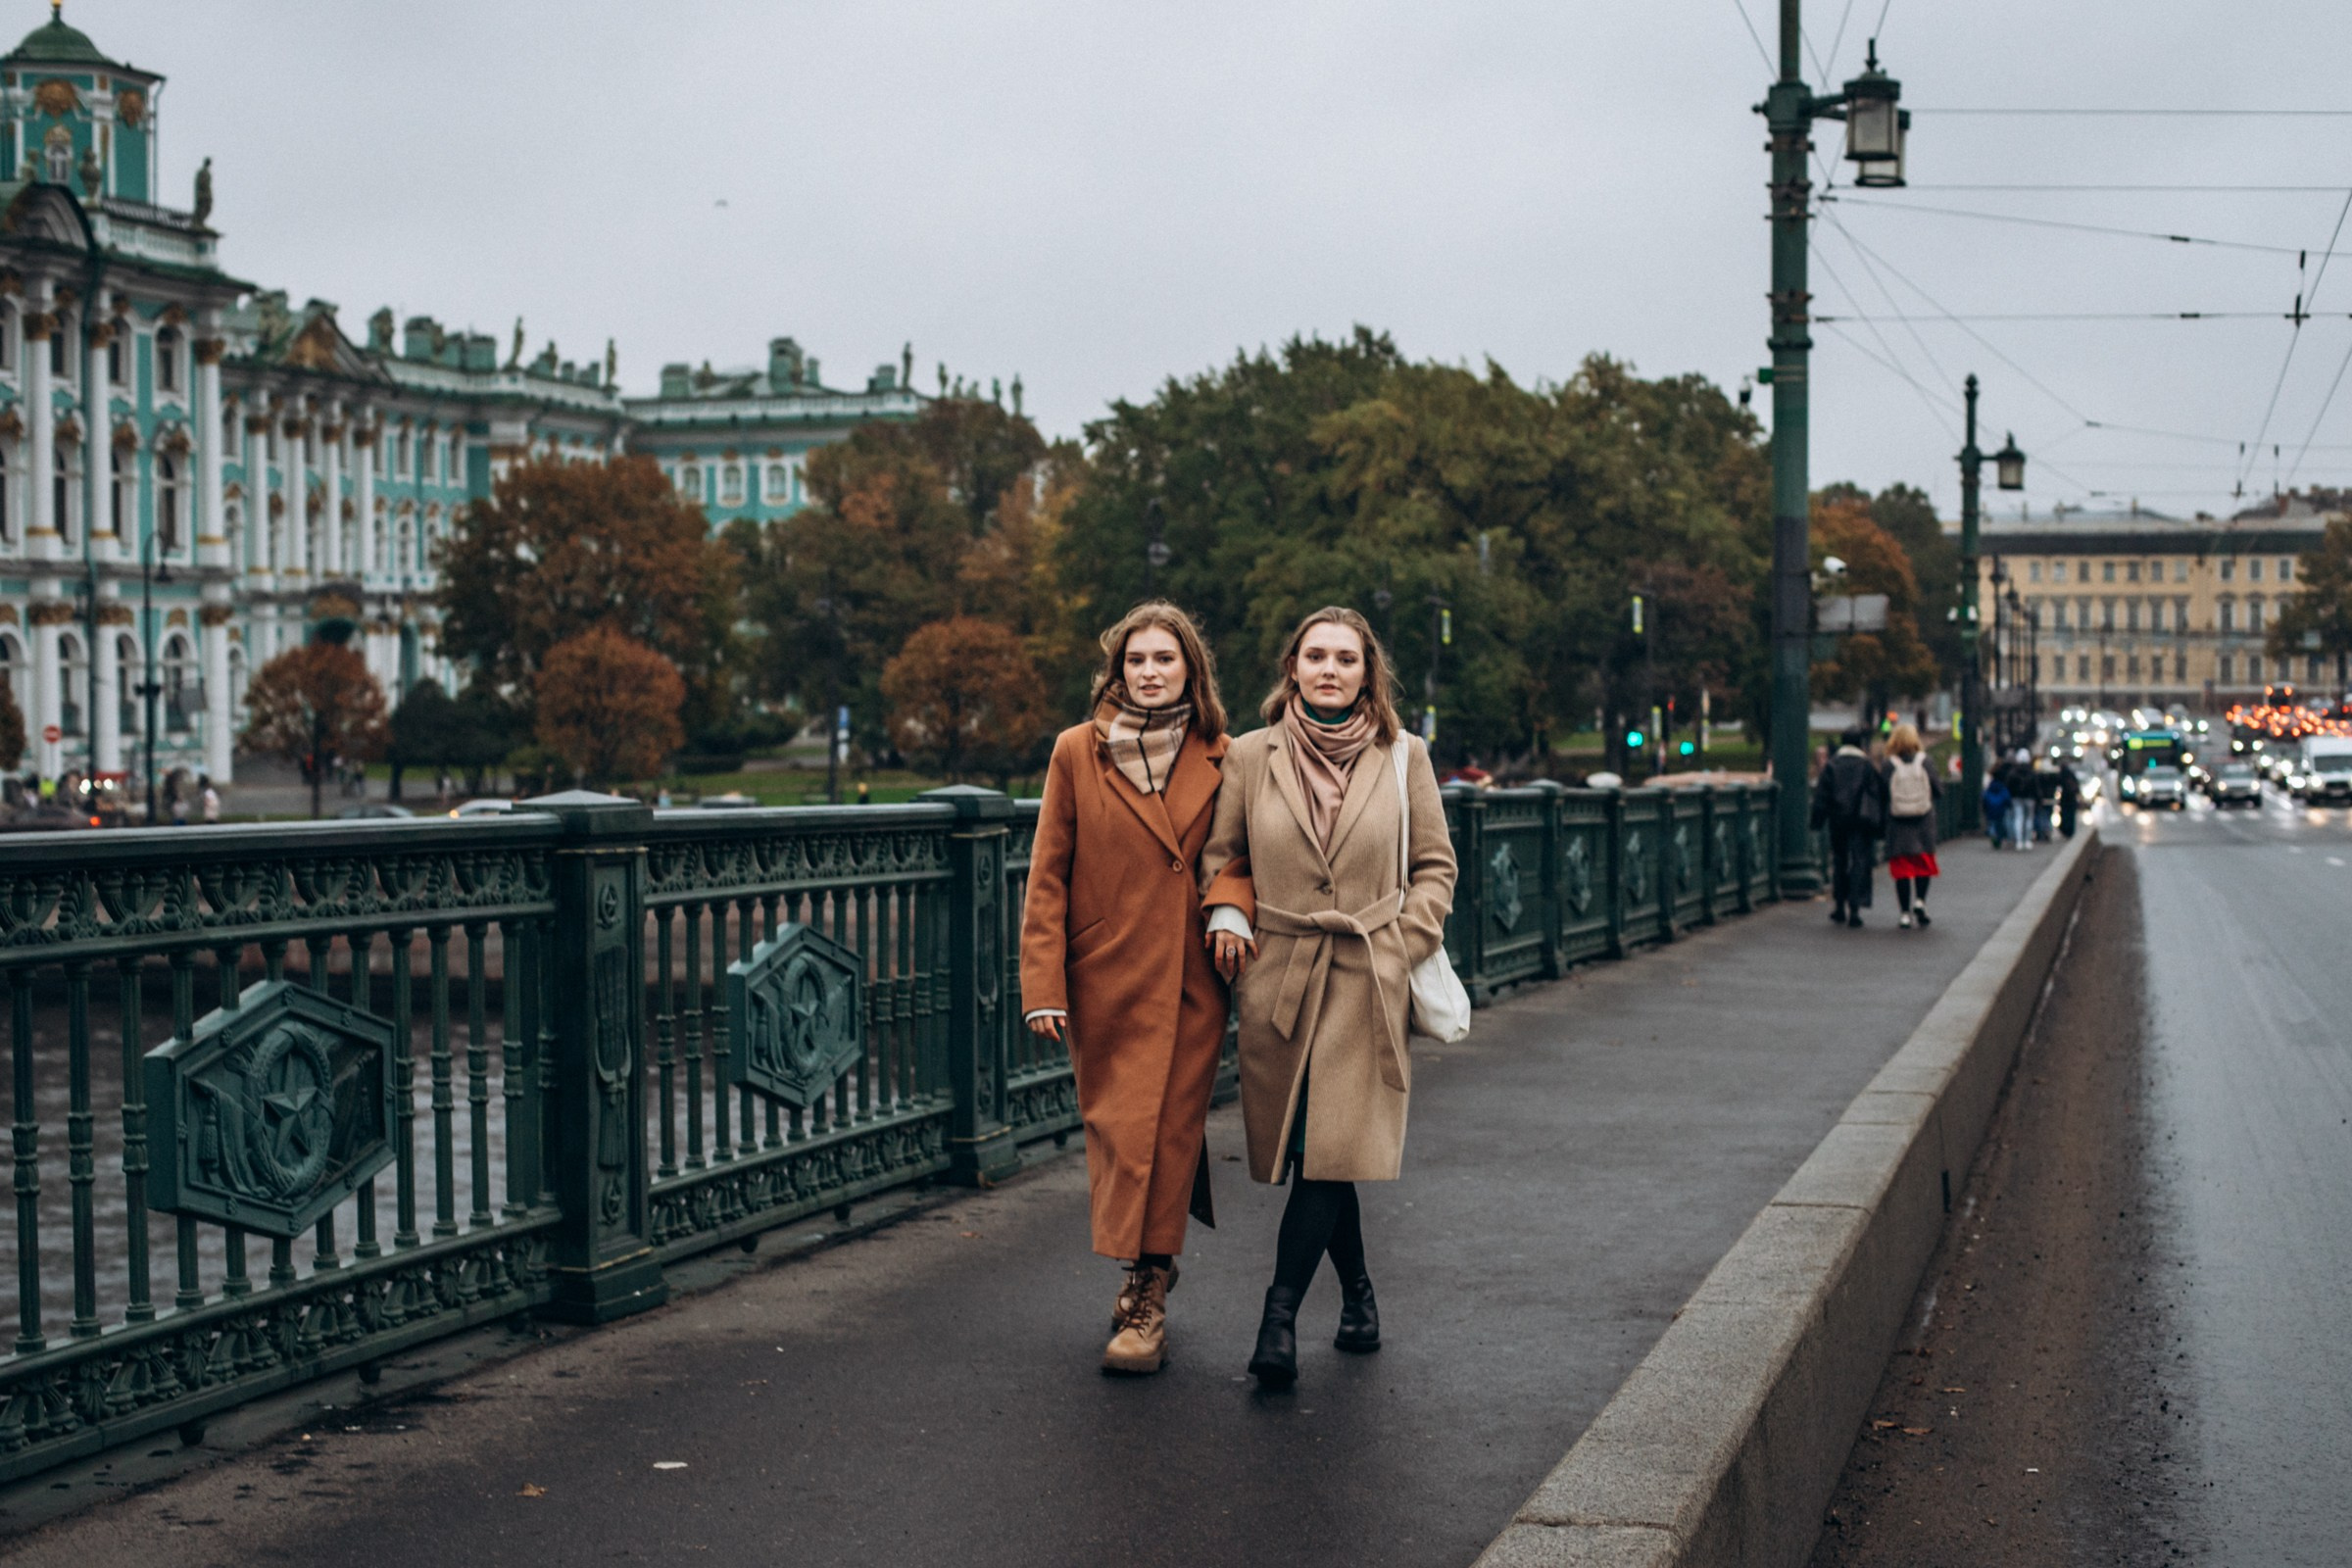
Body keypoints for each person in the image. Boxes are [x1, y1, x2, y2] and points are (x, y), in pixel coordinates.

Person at [1199, 607, 1457, 1389]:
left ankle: (1276, 1320)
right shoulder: (1249, 754)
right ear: (1292, 668)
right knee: (1320, 1154)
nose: (1331, 670)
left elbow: (1437, 867)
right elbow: (1224, 856)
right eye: (1316, 656)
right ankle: (1359, 1298)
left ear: (1367, 673)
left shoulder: (1403, 755)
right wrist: (1233, 916)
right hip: (1280, 975)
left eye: (1347, 658)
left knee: (1325, 1151)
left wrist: (1402, 944)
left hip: (1367, 978)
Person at [1018, 601, 1237, 1376]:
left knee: (1171, 1130)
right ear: (1117, 671)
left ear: (1190, 670)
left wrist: (1234, 906)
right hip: (1104, 975)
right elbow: (1048, 873)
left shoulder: (1223, 754)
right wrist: (1043, 983)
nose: (1149, 672)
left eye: (1164, 660)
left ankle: (1146, 1296)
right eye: (1136, 660)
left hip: (1191, 977)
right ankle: (1147, 1267)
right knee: (1118, 1130)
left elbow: (1238, 850)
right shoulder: (1077, 751)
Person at [1811, 727, 1887, 926]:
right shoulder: (1866, 766)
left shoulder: (1832, 765)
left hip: (1838, 820)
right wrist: (1880, 826)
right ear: (1860, 744)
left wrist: (1817, 821)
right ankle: (1855, 907)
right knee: (1860, 862)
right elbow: (1878, 794)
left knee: (1839, 861)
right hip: (1861, 821)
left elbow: (1822, 796)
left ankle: (1839, 906)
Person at [1881, 723, 1940, 929]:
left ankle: (1905, 913)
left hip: (1898, 823)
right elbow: (1938, 790)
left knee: (1902, 869)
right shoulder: (1926, 762)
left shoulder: (1890, 764)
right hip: (1923, 821)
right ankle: (1920, 902)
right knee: (1923, 864)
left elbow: (1882, 793)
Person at [2006, 749, 2036, 849]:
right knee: (2028, 819)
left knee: (2018, 818)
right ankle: (2027, 840)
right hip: (2029, 798)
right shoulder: (2031, 772)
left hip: (2017, 798)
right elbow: (2035, 786)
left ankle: (2019, 841)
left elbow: (2009, 785)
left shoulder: (2014, 772)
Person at [1981, 763, 2012, 849]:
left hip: (1991, 806)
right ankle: (2000, 837)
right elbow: (2006, 797)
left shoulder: (1991, 785)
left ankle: (1993, 834)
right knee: (2000, 823)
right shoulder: (2003, 786)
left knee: (1992, 823)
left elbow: (1985, 796)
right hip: (2001, 806)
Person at [2055, 760, 2081, 838]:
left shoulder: (2062, 774)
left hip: (2065, 799)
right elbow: (2076, 786)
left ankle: (2066, 830)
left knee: (2065, 815)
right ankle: (2070, 831)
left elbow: (2058, 784)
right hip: (2071, 799)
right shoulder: (2071, 774)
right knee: (2070, 816)